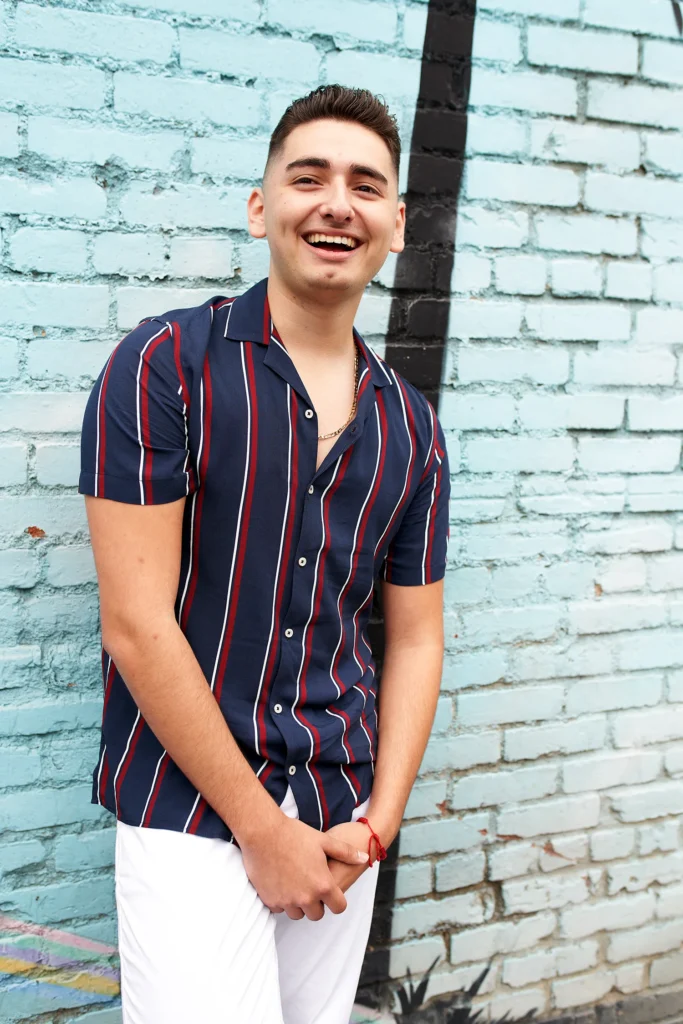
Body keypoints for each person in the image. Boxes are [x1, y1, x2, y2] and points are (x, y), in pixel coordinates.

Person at [79, 84, 450, 1024]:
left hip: (340, 811)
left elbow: (412, 639)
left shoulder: (412, 427)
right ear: (261, 208)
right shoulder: (165, 365)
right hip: (190, 810)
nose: (337, 202)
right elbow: (134, 625)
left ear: (396, 224)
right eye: (308, 177)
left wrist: (379, 823)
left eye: (366, 185)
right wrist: (259, 827)